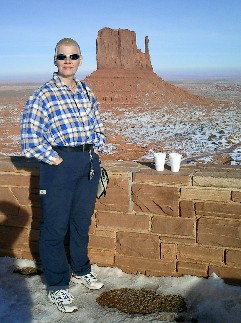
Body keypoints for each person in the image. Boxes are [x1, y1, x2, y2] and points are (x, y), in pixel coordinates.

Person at [20, 38, 106, 313]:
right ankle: (58, 286)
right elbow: (29, 138)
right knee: (55, 228)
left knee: (81, 222)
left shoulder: (85, 91)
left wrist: (96, 149)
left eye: (73, 56)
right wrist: (56, 159)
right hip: (59, 164)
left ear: (80, 60)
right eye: (62, 56)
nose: (67, 61)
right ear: (55, 60)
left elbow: (98, 122)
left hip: (87, 163)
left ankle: (81, 269)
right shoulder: (43, 94)